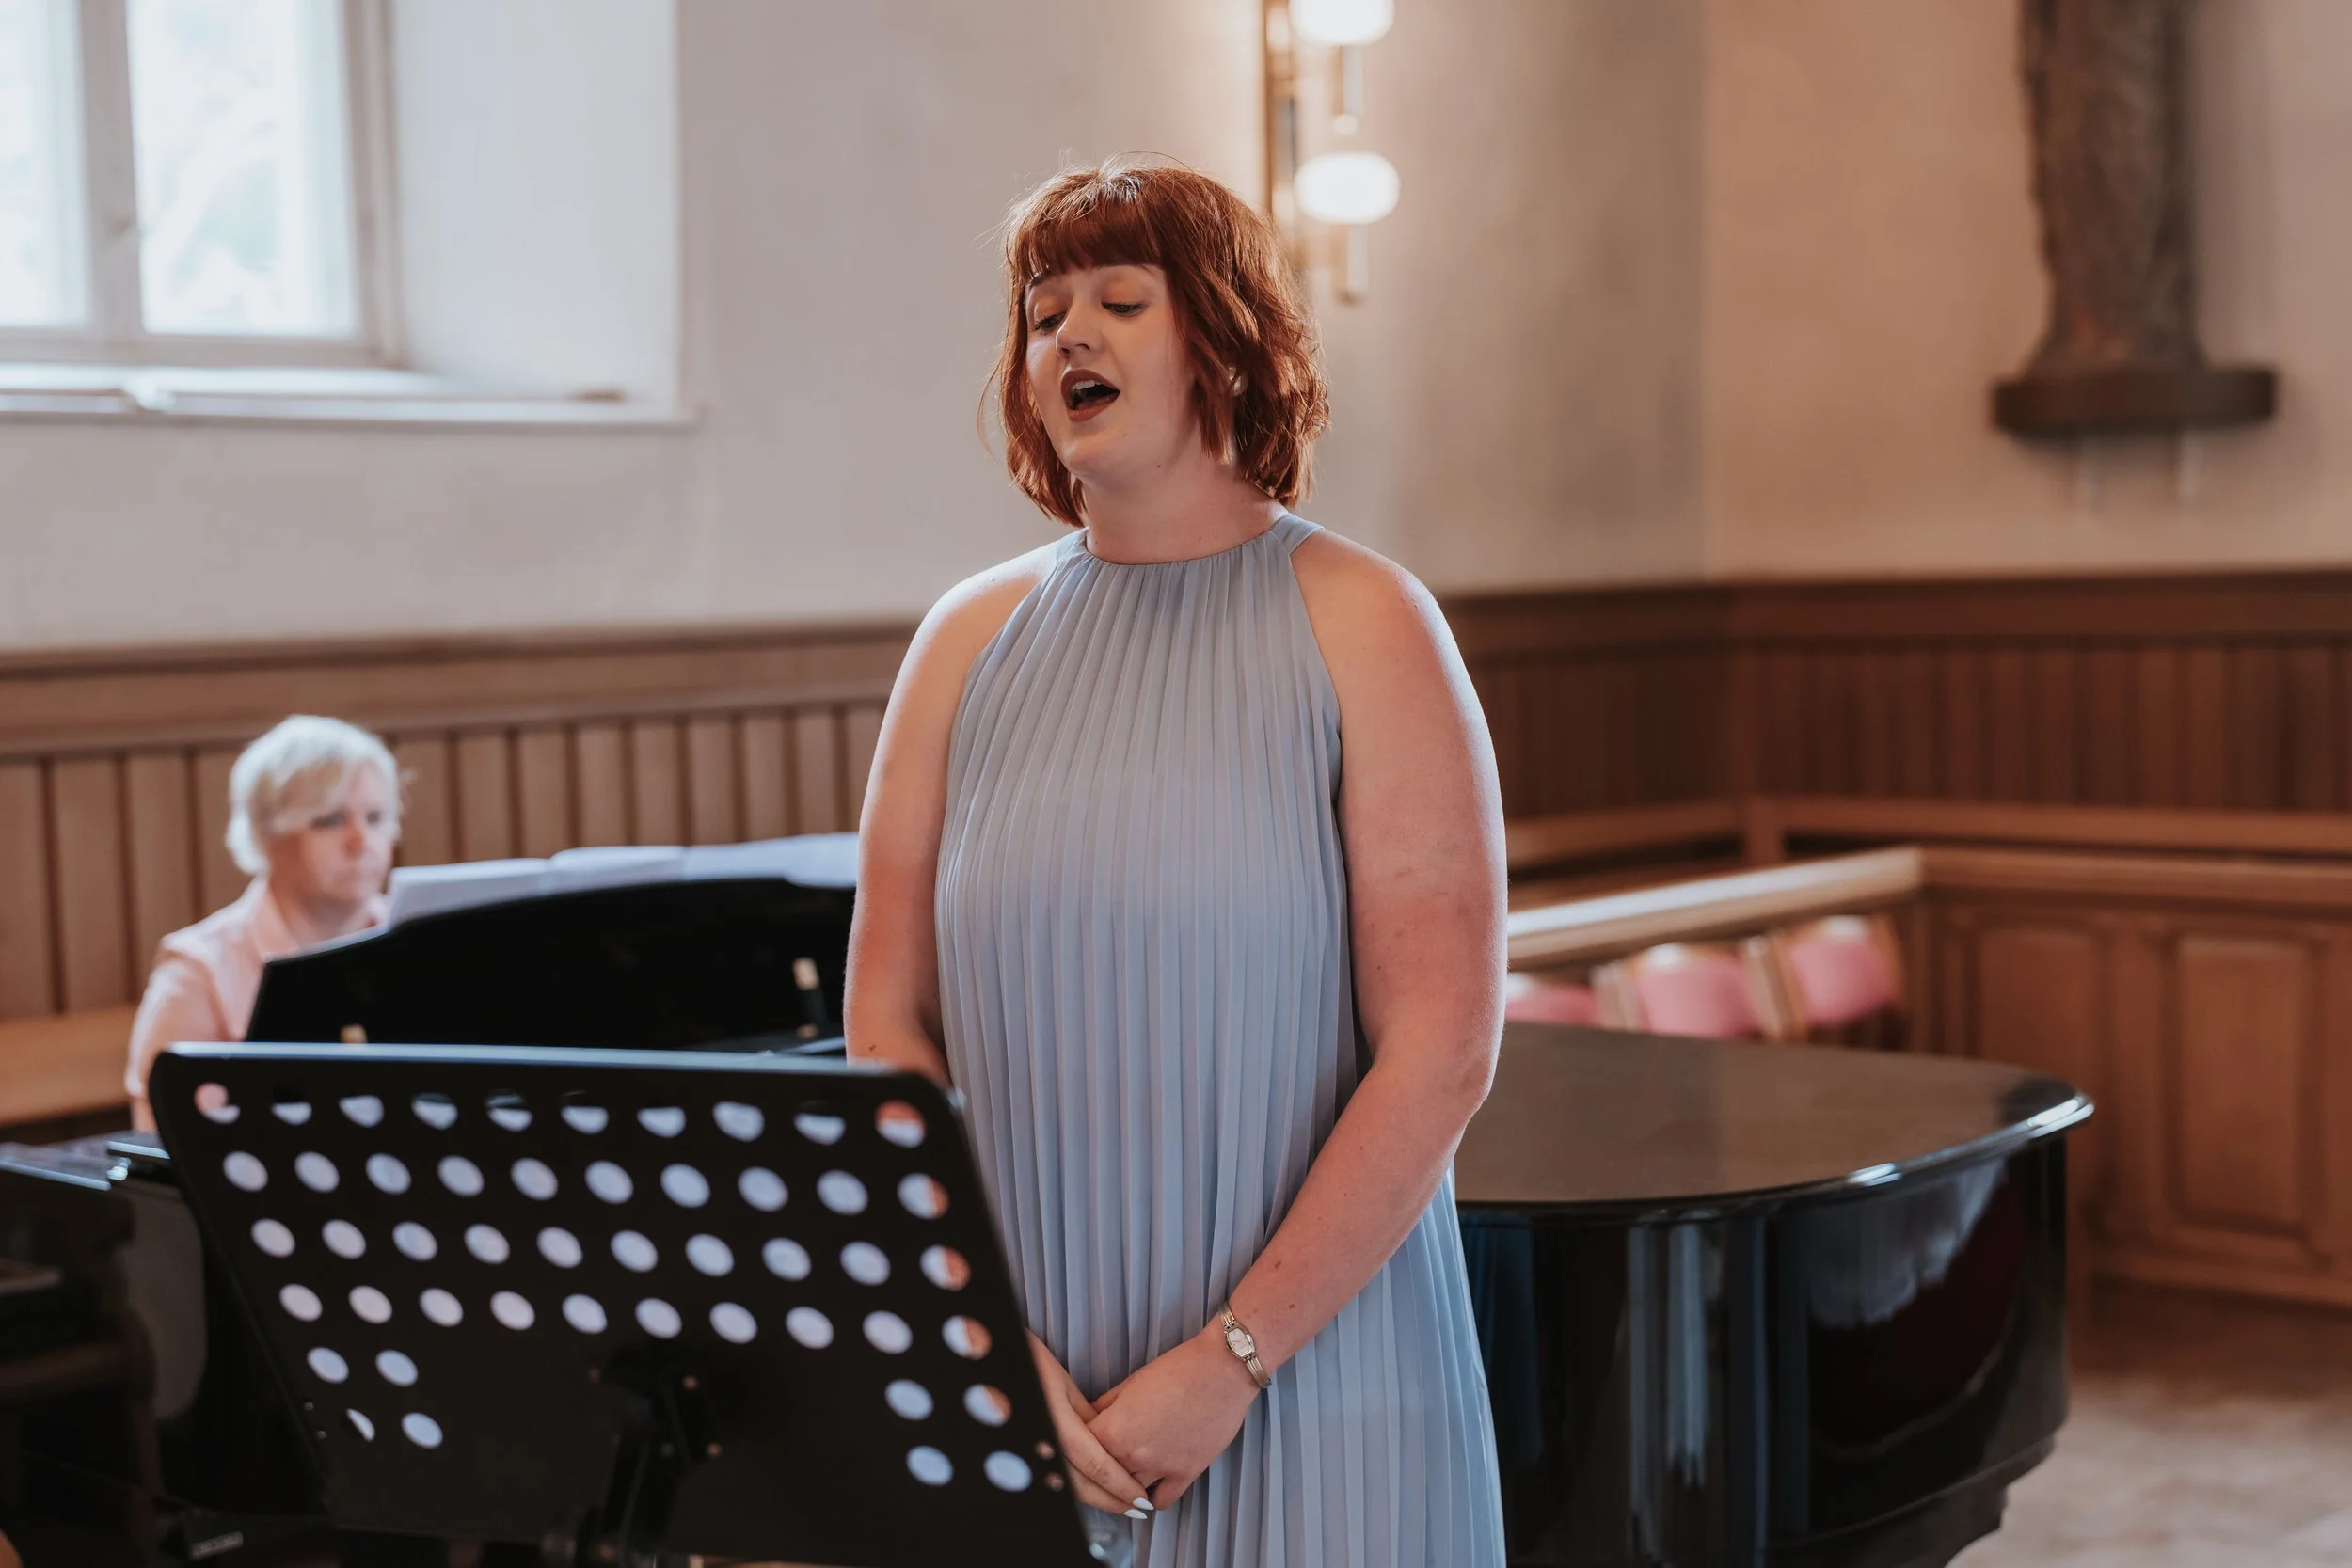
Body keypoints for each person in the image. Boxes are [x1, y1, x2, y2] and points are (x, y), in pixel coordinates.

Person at [847, 157, 1507, 1567]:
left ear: (1218, 339)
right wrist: (978, 1331)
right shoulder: (961, 646)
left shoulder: (1366, 622)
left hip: (1317, 1379)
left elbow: (1443, 1046)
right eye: (1041, 314)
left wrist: (1231, 1357)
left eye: (1120, 300)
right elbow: (887, 1027)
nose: (1067, 335)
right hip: (1026, 1389)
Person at [125, 716, 400, 1130]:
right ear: (268, 835)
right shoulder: (198, 971)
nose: (361, 842)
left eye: (375, 817)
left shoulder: (415, 940)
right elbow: (162, 1141)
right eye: (330, 820)